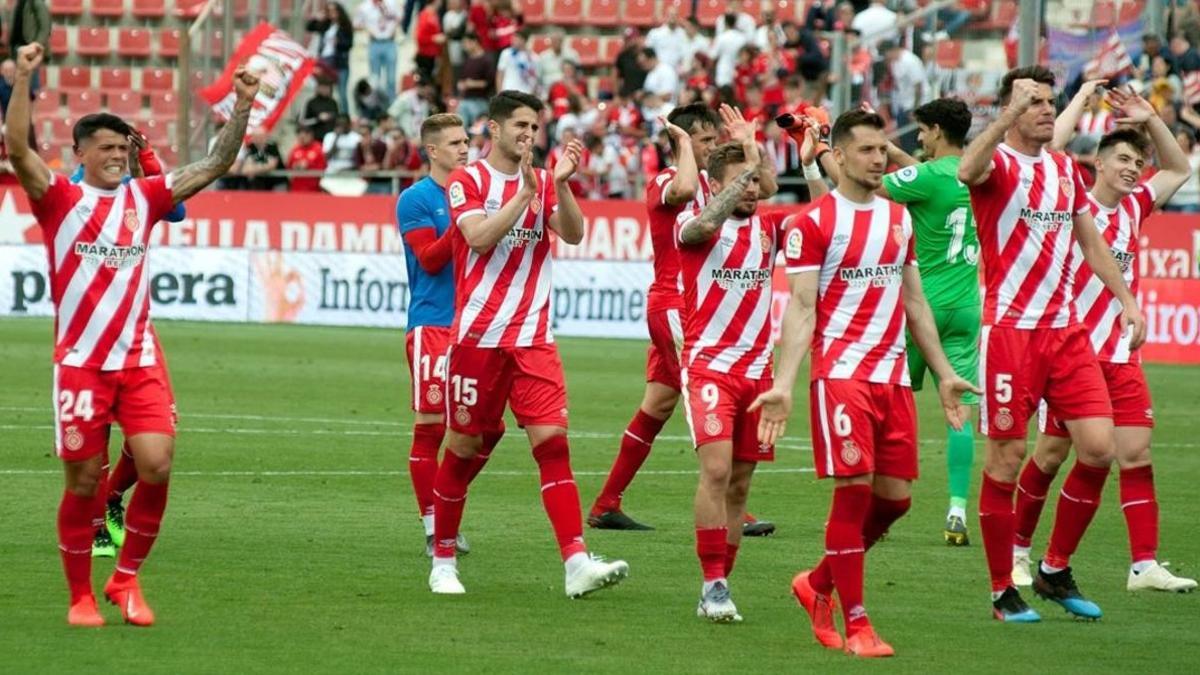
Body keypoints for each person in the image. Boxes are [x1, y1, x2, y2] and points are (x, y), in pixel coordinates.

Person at [5, 42, 259, 627]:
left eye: (124, 147)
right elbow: (17, 146)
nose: (119, 156)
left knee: (157, 464)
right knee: (85, 480)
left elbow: (214, 165)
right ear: (82, 153)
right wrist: (22, 77)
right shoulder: (58, 200)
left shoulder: (143, 199)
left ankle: (124, 579)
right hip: (81, 364)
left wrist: (241, 106)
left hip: (138, 357)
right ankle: (79, 596)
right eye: (108, 148)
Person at [751, 109, 977, 657]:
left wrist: (946, 374)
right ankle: (857, 623)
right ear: (842, 156)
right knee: (853, 496)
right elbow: (802, 308)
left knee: (894, 502)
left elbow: (915, 301)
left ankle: (817, 583)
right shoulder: (812, 224)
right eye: (871, 151)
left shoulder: (899, 220)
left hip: (893, 378)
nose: (882, 159)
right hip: (842, 377)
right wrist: (785, 381)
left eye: (884, 150)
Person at [956, 66, 1146, 622]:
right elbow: (968, 167)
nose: (1045, 109)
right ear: (1012, 108)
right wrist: (1007, 112)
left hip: (1066, 333)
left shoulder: (1065, 169)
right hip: (1011, 333)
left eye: (1049, 101)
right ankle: (1000, 591)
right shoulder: (998, 166)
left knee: (1098, 449)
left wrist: (1127, 302)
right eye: (1034, 102)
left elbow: (1091, 243)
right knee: (1007, 460)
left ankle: (1055, 569)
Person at [429, 91, 630, 597]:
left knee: (553, 443)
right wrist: (524, 193)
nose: (528, 134)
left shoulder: (542, 181)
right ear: (493, 130)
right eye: (519, 125)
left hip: (533, 338)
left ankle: (576, 562)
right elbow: (477, 238)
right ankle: (444, 559)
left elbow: (575, 233)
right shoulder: (467, 180)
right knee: (463, 446)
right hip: (478, 339)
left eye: (534, 127)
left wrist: (559, 186)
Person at [1010, 87, 1197, 593]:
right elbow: (1044, 154)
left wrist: (1150, 119)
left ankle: (1143, 565)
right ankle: (1018, 551)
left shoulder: (1136, 206)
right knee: (1050, 456)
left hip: (1121, 354)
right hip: (1074, 354)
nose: (1134, 168)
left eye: (1139, 161)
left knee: (1135, 454)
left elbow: (1180, 169)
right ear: (1097, 162)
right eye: (1123, 159)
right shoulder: (1067, 202)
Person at [588, 103, 782, 535]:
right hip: (678, 306)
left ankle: (606, 502)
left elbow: (764, 186)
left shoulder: (720, 185)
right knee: (710, 389)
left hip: (695, 305)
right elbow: (686, 186)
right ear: (681, 141)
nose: (714, 146)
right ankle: (731, 500)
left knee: (656, 405)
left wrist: (750, 147)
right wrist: (682, 151)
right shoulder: (668, 181)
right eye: (704, 140)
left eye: (715, 139)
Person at [673, 133, 786, 622]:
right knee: (716, 471)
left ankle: (720, 584)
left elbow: (828, 214)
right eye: (740, 182)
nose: (751, 190)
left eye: (756, 182)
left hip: (759, 372)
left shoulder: (773, 230)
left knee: (740, 486)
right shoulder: (694, 224)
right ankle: (712, 581)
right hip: (710, 367)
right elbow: (699, 226)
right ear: (714, 183)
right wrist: (745, 169)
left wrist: (776, 162)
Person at [396, 114, 499, 556]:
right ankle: (433, 524)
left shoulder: (479, 193)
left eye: (466, 140)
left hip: (477, 326)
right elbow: (430, 260)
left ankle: (445, 500)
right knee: (432, 428)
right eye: (455, 142)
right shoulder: (415, 199)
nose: (464, 148)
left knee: (489, 429)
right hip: (433, 324)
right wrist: (462, 225)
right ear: (432, 151)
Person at [878, 98, 980, 545]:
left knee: (886, 401)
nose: (917, 139)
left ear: (937, 131)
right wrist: (887, 146)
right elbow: (924, 172)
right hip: (966, 307)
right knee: (958, 410)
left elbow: (862, 185)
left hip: (923, 305)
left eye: (922, 131)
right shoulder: (979, 174)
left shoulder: (925, 178)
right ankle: (957, 509)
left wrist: (827, 148)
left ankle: (874, 500)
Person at [307, 2, 354, 113]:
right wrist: (316, 18)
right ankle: (328, 114)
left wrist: (338, 42)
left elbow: (349, 44)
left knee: (341, 92)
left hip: (340, 62)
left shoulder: (345, 26)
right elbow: (310, 28)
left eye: (334, 11)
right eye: (330, 11)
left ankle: (344, 115)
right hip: (325, 60)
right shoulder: (326, 25)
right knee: (324, 90)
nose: (332, 14)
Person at [354, 0, 401, 101]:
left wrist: (394, 28)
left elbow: (399, 16)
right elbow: (356, 24)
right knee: (375, 79)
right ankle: (377, 105)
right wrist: (367, 28)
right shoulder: (365, 6)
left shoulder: (391, 3)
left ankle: (391, 105)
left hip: (390, 42)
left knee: (391, 79)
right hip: (374, 43)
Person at [457, 34, 496, 127]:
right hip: (465, 99)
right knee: (461, 127)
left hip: (479, 100)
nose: (465, 46)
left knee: (478, 130)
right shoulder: (467, 60)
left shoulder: (486, 60)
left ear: (474, 42)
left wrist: (473, 84)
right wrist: (461, 85)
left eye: (466, 43)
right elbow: (462, 79)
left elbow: (489, 82)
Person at [496, 29, 539, 95]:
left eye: (516, 39)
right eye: (512, 39)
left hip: (525, 93)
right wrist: (499, 92)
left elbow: (535, 78)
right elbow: (500, 74)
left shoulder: (534, 57)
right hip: (508, 91)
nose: (512, 41)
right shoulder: (506, 53)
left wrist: (533, 93)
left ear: (523, 40)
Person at [287, 125, 327, 192]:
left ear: (310, 135)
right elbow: (289, 166)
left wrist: (309, 165)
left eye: (303, 138)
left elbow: (323, 167)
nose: (301, 140)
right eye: (299, 138)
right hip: (296, 189)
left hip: (313, 189)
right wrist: (295, 166)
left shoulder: (318, 149)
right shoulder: (295, 149)